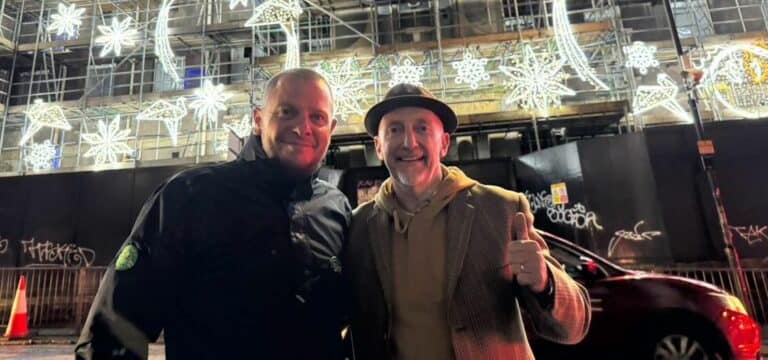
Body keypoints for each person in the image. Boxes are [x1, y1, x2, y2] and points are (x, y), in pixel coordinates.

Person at [76, 68, 351, 360]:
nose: (303, 127)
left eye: (317, 118)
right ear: (258, 120)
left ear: (331, 129)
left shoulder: (337, 208)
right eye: (287, 112)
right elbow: (115, 329)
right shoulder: (189, 195)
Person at [345, 83, 591, 360]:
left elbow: (574, 327)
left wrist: (545, 283)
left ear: (444, 143)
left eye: (422, 128)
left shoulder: (503, 209)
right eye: (394, 129)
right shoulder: (358, 227)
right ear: (378, 146)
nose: (408, 142)